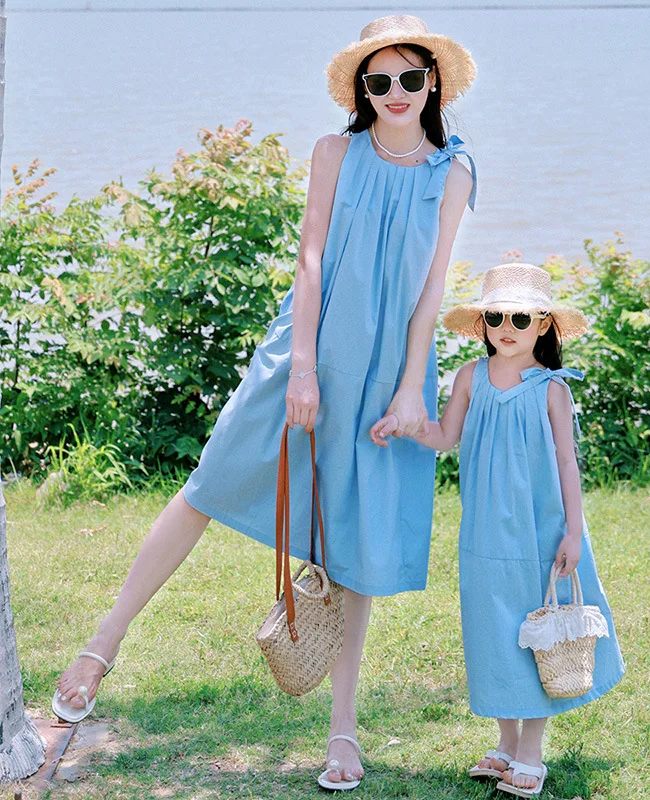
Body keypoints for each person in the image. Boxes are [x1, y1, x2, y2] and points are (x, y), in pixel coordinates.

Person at [53, 14, 477, 792]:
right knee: (208, 485)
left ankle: (343, 731)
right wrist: (306, 372)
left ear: (433, 84)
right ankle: (101, 645)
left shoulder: (454, 172)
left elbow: (432, 290)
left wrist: (414, 384)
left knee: (349, 544)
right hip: (305, 349)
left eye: (409, 79)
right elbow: (311, 261)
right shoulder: (333, 153)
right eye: (376, 81)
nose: (393, 93)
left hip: (387, 369)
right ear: (360, 89)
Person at [371, 263, 625, 797]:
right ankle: (507, 743)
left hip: (539, 531)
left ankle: (532, 751)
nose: (506, 326)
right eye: (494, 316)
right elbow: (444, 436)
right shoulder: (469, 376)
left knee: (540, 633)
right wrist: (403, 424)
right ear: (482, 323)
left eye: (519, 317)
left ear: (543, 327)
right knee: (494, 633)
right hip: (484, 533)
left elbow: (566, 463)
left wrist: (573, 533)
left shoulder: (552, 389)